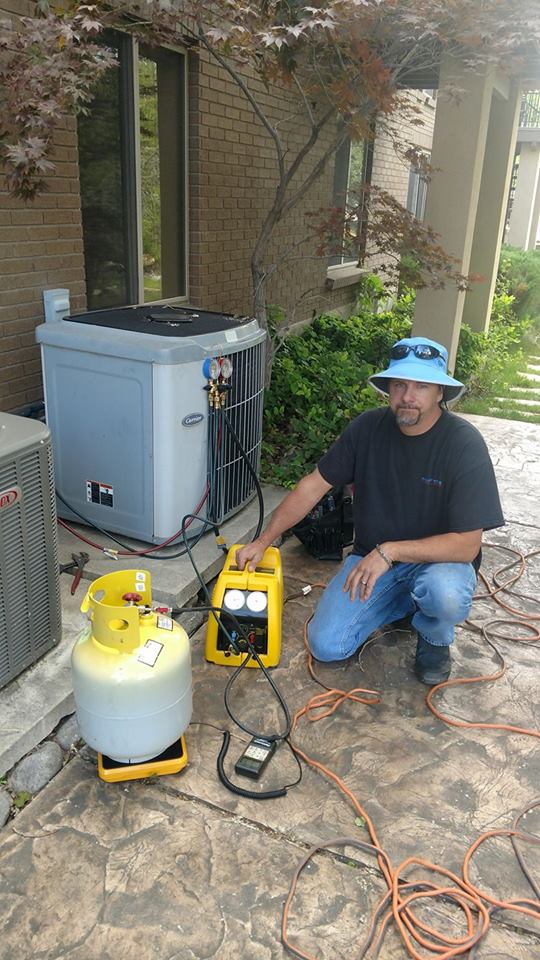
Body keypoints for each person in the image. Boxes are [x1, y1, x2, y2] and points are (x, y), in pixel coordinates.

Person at [236, 336, 505, 685]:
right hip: (371, 561)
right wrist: (264, 541)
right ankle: (406, 603)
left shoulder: (463, 444)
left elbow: (467, 545)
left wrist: (390, 551)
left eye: (421, 386)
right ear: (389, 389)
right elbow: (313, 486)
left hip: (439, 565)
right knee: (327, 646)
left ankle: (434, 635)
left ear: (440, 393)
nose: (408, 396)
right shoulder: (367, 429)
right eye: (399, 384)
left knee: (445, 595)